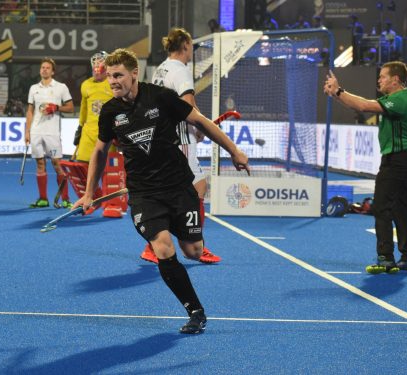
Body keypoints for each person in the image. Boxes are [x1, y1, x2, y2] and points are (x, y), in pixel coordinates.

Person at [73, 49, 250, 334]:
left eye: (118, 75)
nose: (113, 81)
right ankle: (195, 311)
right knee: (163, 248)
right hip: (144, 194)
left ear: (134, 74)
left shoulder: (161, 97)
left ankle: (189, 246)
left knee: (193, 251)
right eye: (109, 76)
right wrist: (90, 192)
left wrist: (235, 151)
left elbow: (201, 122)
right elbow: (100, 151)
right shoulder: (110, 111)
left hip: (179, 187)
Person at [324, 61, 407, 273]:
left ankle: (385, 257)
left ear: (395, 80)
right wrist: (337, 94)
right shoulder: (393, 98)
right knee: (400, 208)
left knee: (381, 207)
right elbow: (360, 103)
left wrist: (339, 91)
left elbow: (364, 106)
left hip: (396, 160)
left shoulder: (400, 99)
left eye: (383, 76)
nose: (379, 80)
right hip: (401, 159)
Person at [146, 28, 221, 265]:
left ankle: (155, 245)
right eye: (191, 48)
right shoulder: (180, 70)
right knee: (198, 189)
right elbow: (188, 102)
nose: (192, 53)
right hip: (180, 138)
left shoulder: (161, 68)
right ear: (186, 45)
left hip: (164, 137)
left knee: (185, 190)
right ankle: (196, 245)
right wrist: (200, 127)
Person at [68, 51, 126, 219]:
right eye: (94, 66)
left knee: (110, 171)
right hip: (88, 133)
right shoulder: (85, 85)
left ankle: (112, 205)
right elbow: (84, 111)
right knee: (82, 168)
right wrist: (79, 130)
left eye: (99, 66)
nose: (96, 69)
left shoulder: (112, 83)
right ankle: (91, 199)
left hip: (108, 133)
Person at [25, 57, 75, 208]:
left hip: (52, 133)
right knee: (40, 164)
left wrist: (57, 107)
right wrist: (27, 131)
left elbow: (71, 108)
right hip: (36, 132)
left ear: (53, 71)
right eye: (42, 67)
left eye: (47, 68)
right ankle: (43, 199)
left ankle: (65, 199)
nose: (44, 69)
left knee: (57, 164)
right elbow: (30, 111)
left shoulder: (61, 87)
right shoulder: (34, 88)